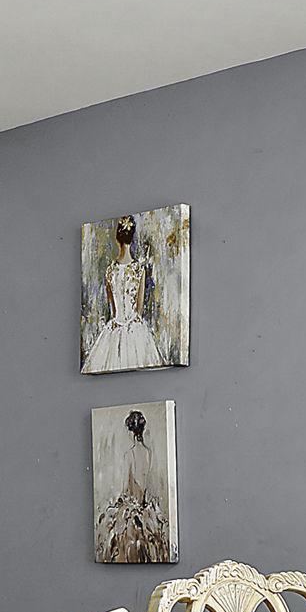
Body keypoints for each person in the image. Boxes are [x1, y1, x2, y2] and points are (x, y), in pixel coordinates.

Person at [83, 216, 165, 372]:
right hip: (135, 328)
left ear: (117, 239)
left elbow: (113, 309)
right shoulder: (139, 270)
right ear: (131, 239)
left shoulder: (110, 271)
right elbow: (139, 309)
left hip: (114, 328)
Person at [96, 409, 172, 563]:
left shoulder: (129, 455)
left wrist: (119, 502)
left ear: (130, 432)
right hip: (145, 507)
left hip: (132, 508)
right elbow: (147, 483)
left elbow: (126, 485)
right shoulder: (148, 453)